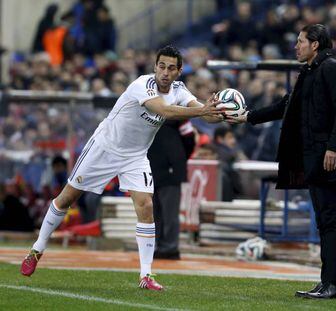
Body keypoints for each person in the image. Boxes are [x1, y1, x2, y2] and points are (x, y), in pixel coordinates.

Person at [20, 45, 224, 291]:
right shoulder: (142, 85)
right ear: (154, 67)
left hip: (135, 156)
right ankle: (37, 249)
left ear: (179, 71)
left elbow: (206, 114)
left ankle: (146, 275)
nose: (165, 73)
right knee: (66, 199)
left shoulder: (180, 90)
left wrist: (225, 112)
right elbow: (165, 111)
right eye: (162, 66)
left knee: (146, 205)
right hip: (104, 147)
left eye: (171, 68)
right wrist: (201, 110)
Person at [228, 24, 336, 299]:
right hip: (313, 159)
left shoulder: (334, 69)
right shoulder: (309, 73)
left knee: (330, 219)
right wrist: (247, 117)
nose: (296, 46)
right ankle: (327, 281)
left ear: (315, 44)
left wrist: (333, 148)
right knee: (324, 220)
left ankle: (334, 284)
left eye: (300, 42)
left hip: (327, 158)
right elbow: (284, 106)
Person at [148, 120, 195, 260]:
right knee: (154, 211)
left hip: (169, 169)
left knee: (169, 212)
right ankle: (159, 245)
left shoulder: (178, 112)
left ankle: (169, 247)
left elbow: (189, 138)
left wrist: (176, 158)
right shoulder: (147, 110)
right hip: (151, 168)